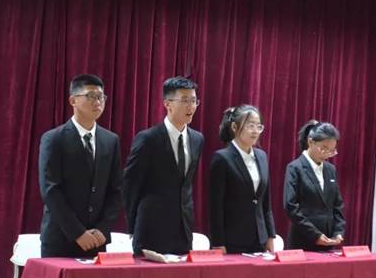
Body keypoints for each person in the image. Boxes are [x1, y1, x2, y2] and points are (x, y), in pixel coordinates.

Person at [38, 74, 123, 257]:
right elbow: (51, 190)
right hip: (61, 239)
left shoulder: (111, 140)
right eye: (91, 96)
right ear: (73, 100)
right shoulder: (54, 139)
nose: (98, 102)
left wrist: (103, 229)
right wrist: (78, 232)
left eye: (101, 97)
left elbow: (116, 190)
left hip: (96, 240)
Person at [123, 76, 204, 255]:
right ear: (168, 104)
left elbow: (185, 184)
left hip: (183, 229)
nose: (191, 106)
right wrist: (132, 225)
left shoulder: (197, 139)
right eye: (185, 100)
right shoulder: (148, 139)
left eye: (194, 101)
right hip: (151, 228)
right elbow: (130, 184)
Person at [209, 105, 276, 254]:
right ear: (234, 127)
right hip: (232, 239)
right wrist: (218, 242)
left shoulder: (262, 156)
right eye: (250, 125)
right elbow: (216, 207)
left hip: (260, 239)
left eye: (259, 126)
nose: (255, 131)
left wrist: (270, 235)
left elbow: (266, 203)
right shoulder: (222, 158)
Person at [283, 120, 345, 251]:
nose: (326, 154)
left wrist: (338, 232)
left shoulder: (330, 169)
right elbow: (291, 206)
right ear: (310, 142)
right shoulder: (295, 168)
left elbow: (337, 204)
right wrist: (316, 235)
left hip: (328, 241)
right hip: (303, 240)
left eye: (331, 151)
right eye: (323, 148)